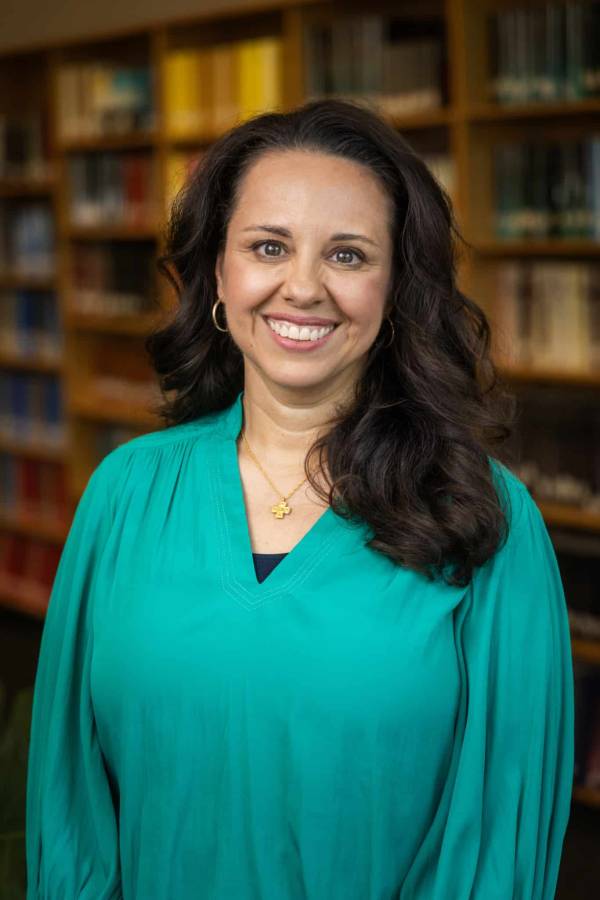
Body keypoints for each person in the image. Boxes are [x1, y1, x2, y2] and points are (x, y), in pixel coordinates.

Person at [25, 98, 574, 899]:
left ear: (397, 288)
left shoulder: (486, 518)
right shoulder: (125, 494)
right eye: (268, 245)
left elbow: (497, 839)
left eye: (348, 255)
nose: (303, 287)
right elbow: (70, 793)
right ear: (219, 270)